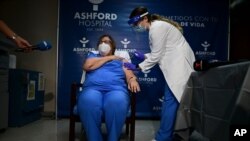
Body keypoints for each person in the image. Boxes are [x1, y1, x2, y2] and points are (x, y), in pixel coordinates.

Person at [124, 6, 196, 141]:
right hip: (176, 65)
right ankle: (175, 134)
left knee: (170, 103)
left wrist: (137, 66)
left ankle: (163, 137)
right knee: (175, 102)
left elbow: (157, 55)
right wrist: (144, 56)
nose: (137, 26)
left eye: (137, 23)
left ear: (145, 18)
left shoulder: (156, 28)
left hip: (179, 67)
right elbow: (162, 51)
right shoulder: (157, 27)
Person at [77, 34, 141, 141]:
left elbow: (129, 74)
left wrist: (132, 80)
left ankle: (113, 138)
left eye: (107, 42)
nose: (103, 44)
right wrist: (110, 57)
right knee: (88, 101)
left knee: (117, 101)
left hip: (116, 89)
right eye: (101, 42)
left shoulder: (121, 59)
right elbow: (87, 66)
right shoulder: (93, 55)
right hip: (93, 88)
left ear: (112, 46)